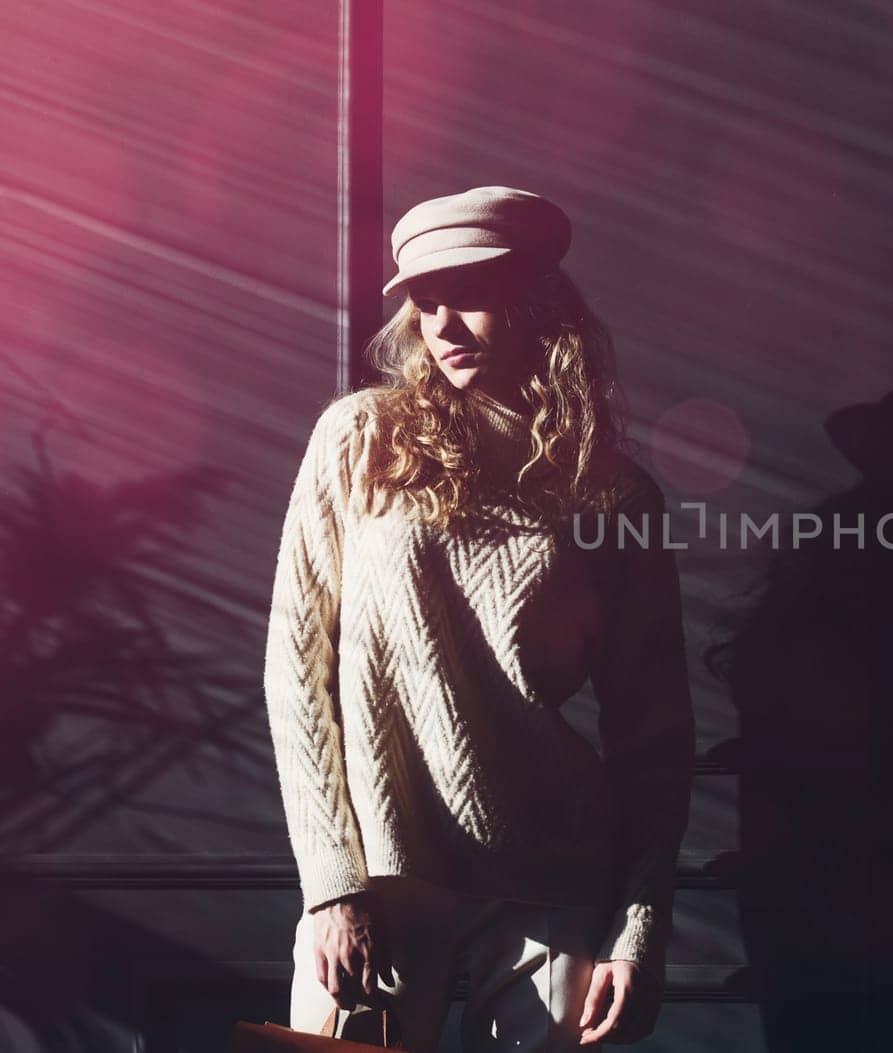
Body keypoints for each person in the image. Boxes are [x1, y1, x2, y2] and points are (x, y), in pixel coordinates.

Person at [262, 186, 696, 1051]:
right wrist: (331, 886)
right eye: (425, 301)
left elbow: (655, 732)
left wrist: (640, 928)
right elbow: (295, 664)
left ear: (539, 301)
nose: (445, 324)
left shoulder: (612, 491)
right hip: (382, 876)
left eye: (473, 293)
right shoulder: (360, 440)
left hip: (558, 875)